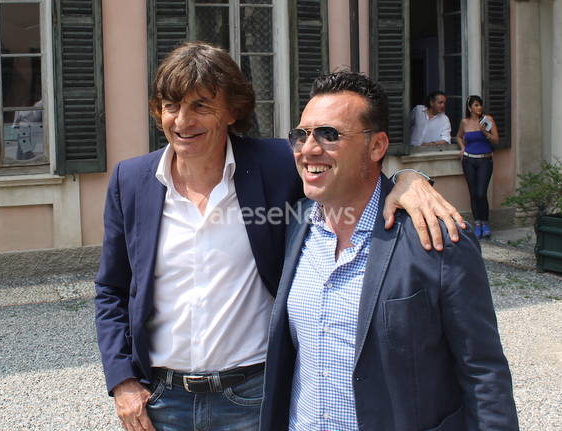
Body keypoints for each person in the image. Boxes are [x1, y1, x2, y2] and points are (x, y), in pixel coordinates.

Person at [95, 43, 464, 431]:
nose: (182, 121)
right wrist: (123, 382)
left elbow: (348, 168)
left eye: (201, 105)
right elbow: (111, 290)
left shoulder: (274, 165)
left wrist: (409, 180)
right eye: (171, 106)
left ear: (232, 110)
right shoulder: (131, 181)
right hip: (162, 401)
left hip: (253, 398)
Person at [260, 71, 519, 431]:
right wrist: (407, 176)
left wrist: (407, 176)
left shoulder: (437, 237)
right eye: (300, 135)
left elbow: (483, 373)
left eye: (329, 134)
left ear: (377, 146)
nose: (308, 149)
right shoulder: (295, 223)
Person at [456, 95, 500, 239]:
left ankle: (486, 223)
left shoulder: (488, 120)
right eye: (475, 105)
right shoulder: (465, 122)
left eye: (480, 105)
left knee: (481, 193)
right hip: (469, 160)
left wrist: (484, 132)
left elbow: (496, 140)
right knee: (474, 193)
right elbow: (458, 136)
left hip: (485, 160)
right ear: (469, 108)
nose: (479, 108)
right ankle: (478, 224)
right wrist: (462, 148)